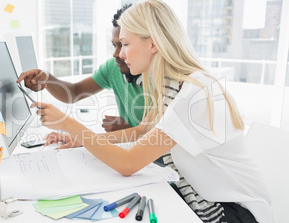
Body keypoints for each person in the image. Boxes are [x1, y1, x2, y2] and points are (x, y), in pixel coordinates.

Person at [30, 0, 272, 222]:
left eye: (125, 44)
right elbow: (143, 131)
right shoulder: (168, 84)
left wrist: (69, 124)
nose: (120, 54)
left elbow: (128, 164)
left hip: (233, 210)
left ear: (153, 43)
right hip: (204, 193)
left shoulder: (194, 93)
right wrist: (81, 140)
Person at [17, 4, 145, 133]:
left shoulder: (161, 79)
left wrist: (130, 130)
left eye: (124, 45)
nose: (116, 54)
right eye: (114, 45)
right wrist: (46, 77)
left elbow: (161, 137)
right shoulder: (113, 67)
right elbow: (74, 92)